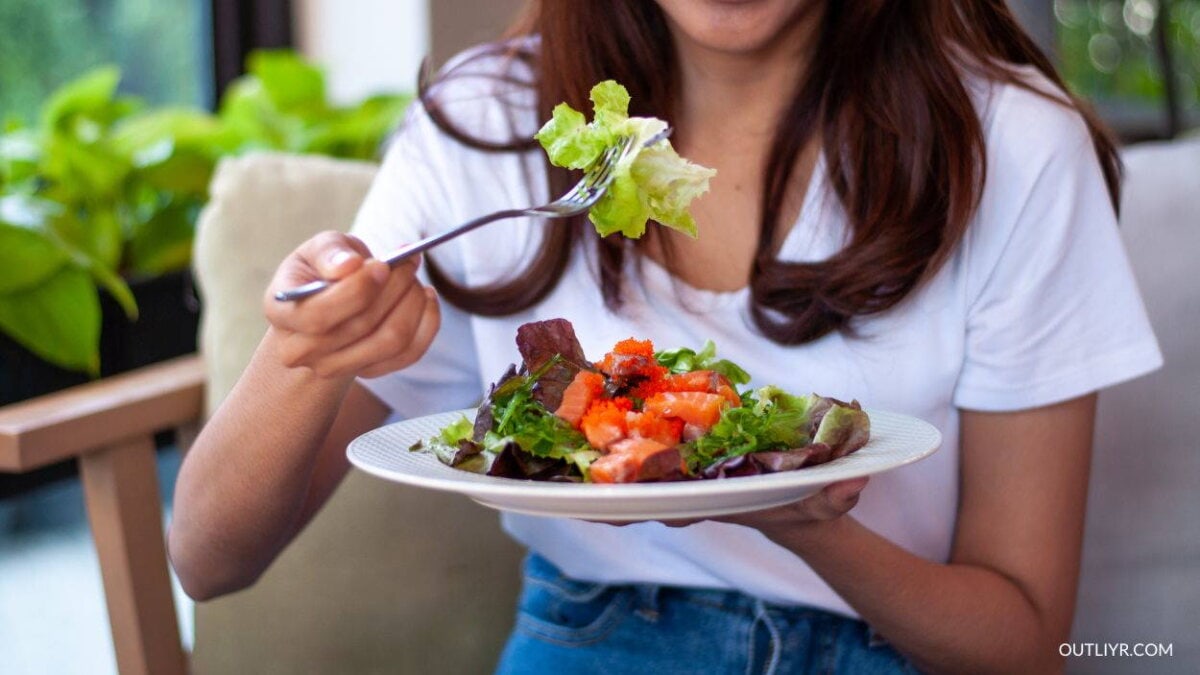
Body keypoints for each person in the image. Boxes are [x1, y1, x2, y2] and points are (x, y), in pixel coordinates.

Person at [168, 1, 1163, 672]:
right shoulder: (484, 128)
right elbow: (208, 558)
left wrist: (806, 522)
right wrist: (304, 352)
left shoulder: (1013, 145)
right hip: (588, 642)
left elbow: (1022, 639)